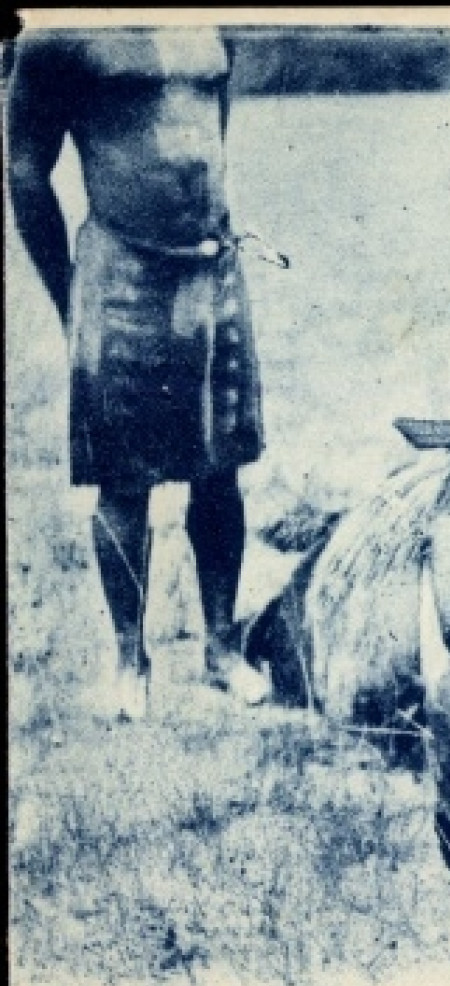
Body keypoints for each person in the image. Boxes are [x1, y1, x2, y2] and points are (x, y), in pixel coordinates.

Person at [9, 27, 273, 718]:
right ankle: (131, 659)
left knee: (220, 470)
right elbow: (24, 170)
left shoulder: (213, 26)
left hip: (209, 265)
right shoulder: (59, 37)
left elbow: (211, 138)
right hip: (120, 271)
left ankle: (220, 648)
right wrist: (69, 290)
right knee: (123, 483)